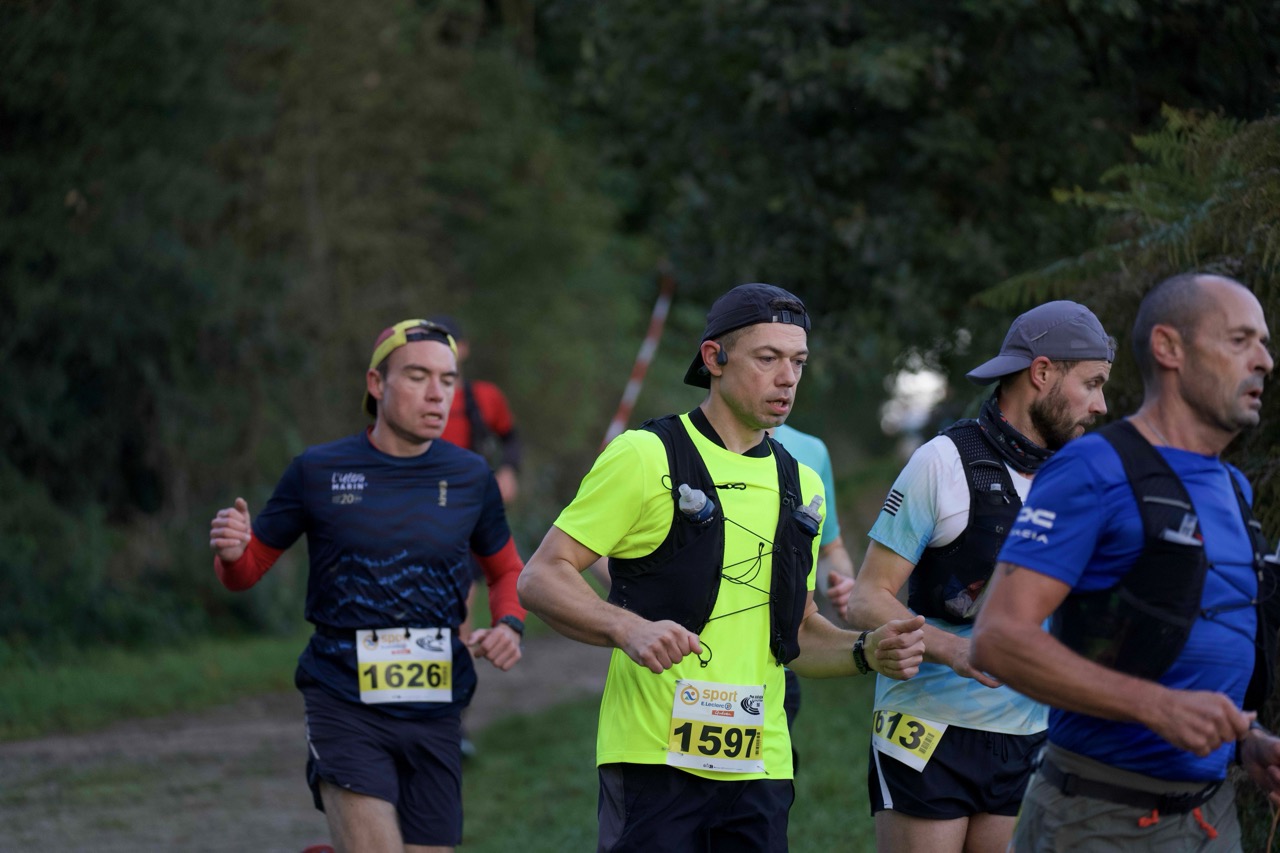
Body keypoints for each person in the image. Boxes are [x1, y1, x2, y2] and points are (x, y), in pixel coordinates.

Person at [517, 283, 927, 852]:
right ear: (714, 358)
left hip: (761, 764)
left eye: (798, 362)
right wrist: (627, 627)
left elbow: (797, 634)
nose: (787, 378)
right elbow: (542, 575)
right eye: (768, 358)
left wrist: (865, 650)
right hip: (653, 759)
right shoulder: (645, 454)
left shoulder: (802, 483)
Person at [972, 273, 1280, 850]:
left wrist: (1245, 741)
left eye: (1263, 343)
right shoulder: (1094, 468)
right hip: (1100, 817)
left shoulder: (1234, 488)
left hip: (1214, 820)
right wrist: (1156, 707)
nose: (1264, 360)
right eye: (1240, 340)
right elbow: (996, 639)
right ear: (1169, 348)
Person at [208, 318, 526, 853]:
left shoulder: (471, 477)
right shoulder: (318, 471)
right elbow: (246, 571)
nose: (437, 394)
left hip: (437, 706)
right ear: (376, 384)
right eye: (418, 377)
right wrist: (233, 554)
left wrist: (510, 625)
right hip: (343, 698)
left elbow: (506, 570)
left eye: (447, 380)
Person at [845, 300, 1115, 853]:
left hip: (1029, 737)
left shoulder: (1081, 477)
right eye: (1091, 384)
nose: (1101, 404)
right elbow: (867, 598)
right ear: (1042, 372)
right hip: (927, 727)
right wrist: (954, 650)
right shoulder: (942, 461)